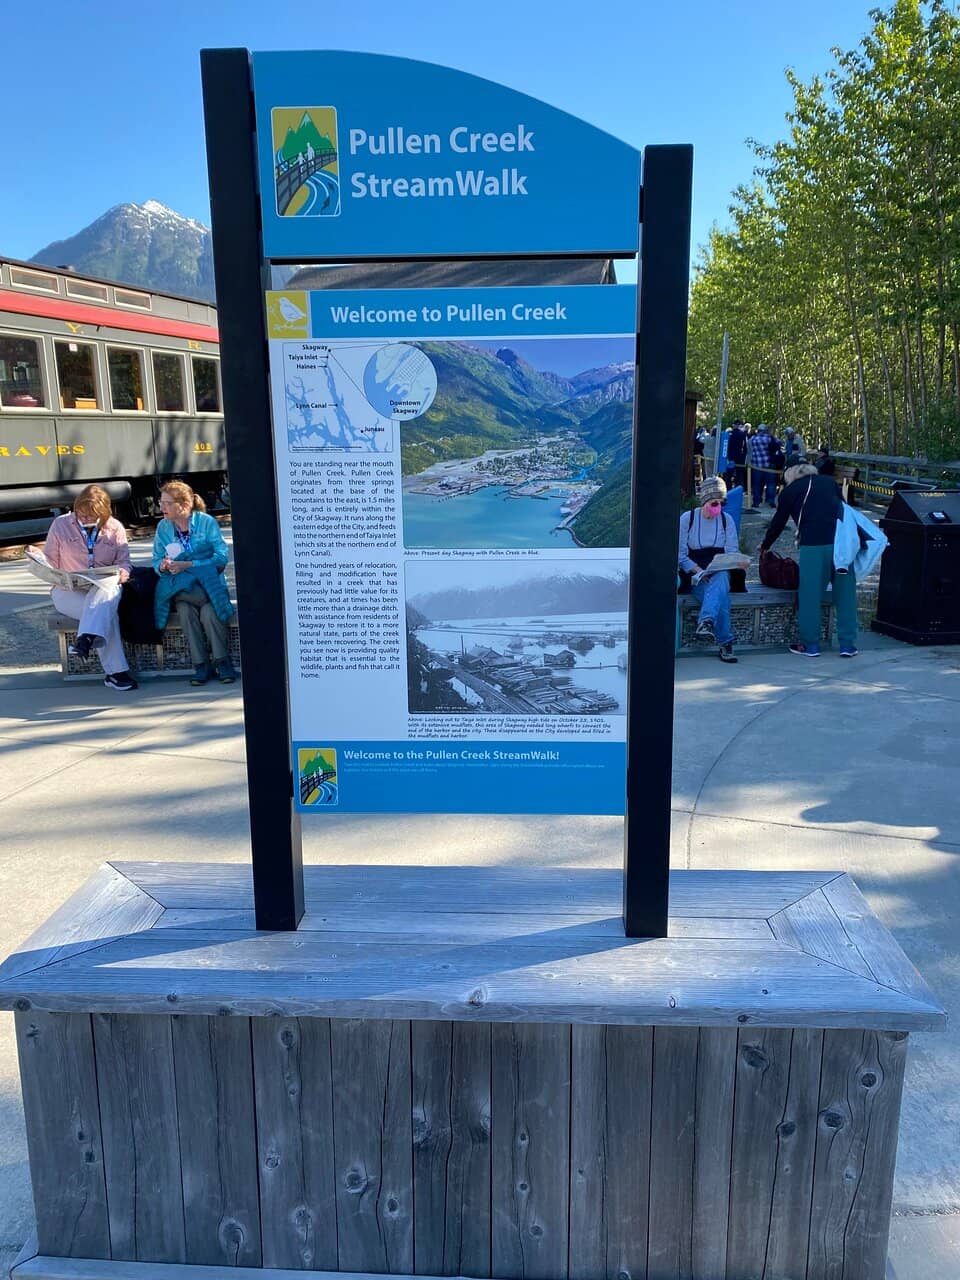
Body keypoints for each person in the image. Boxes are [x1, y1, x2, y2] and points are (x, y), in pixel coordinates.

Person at [40, 485, 137, 691]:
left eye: (90, 516)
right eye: (81, 514)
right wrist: (38, 560)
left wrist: (122, 573)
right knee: (106, 612)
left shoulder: (115, 528)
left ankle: (86, 641)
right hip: (68, 591)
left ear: (103, 513)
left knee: (108, 590)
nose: (83, 519)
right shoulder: (60, 524)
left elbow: (124, 562)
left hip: (103, 587)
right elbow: (49, 560)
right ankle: (114, 672)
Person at [759, 462, 859, 657]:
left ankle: (810, 645)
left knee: (810, 595)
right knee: (846, 594)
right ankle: (848, 645)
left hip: (813, 546)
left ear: (790, 473)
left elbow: (778, 522)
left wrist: (765, 545)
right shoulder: (829, 483)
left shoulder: (789, 491)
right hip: (842, 545)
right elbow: (843, 509)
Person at [153, 481, 237, 685]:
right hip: (182, 586)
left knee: (208, 612)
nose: (161, 507)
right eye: (160, 502)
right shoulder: (163, 527)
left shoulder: (206, 522)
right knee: (185, 610)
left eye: (166, 503)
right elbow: (155, 560)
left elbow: (220, 558)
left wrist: (189, 564)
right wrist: (163, 566)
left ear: (184, 504)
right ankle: (201, 665)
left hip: (209, 584)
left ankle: (221, 661)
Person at [678, 476, 741, 663]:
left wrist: (735, 562)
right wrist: (698, 571)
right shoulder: (687, 519)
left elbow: (732, 550)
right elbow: (680, 554)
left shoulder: (726, 520)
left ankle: (706, 622)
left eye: (721, 503)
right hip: (694, 572)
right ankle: (725, 642)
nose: (717, 507)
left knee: (720, 579)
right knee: (720, 599)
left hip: (718, 570)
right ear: (705, 500)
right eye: (714, 502)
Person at [749, 423, 780, 507]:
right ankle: (770, 501)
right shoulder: (769, 438)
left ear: (758, 430)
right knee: (771, 484)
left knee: (757, 484)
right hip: (769, 465)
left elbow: (750, 452)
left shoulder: (752, 439)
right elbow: (779, 444)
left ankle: (756, 501)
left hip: (756, 465)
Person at [727, 418, 749, 491]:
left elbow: (728, 446)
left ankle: (729, 489)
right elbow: (745, 447)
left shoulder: (730, 434)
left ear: (733, 425)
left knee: (729, 474)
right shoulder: (743, 435)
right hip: (740, 457)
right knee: (739, 474)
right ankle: (738, 489)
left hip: (731, 457)